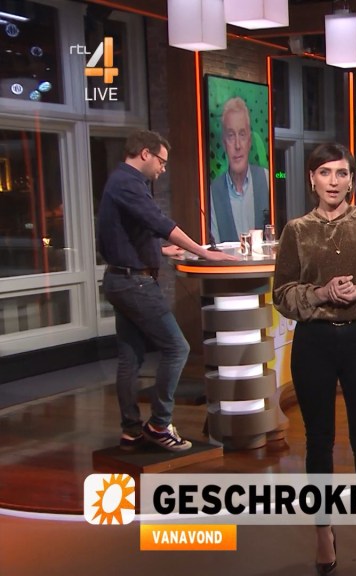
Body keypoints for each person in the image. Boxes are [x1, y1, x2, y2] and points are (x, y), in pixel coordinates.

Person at [273, 143, 356, 576]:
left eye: (342, 173)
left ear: (351, 180)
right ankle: (323, 532)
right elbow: (282, 294)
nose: (334, 181)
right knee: (318, 441)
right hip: (313, 343)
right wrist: (320, 293)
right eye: (326, 173)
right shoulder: (296, 231)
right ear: (311, 179)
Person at [97, 130, 236, 453]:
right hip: (134, 284)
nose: (163, 168)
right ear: (145, 153)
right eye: (161, 161)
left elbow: (122, 236)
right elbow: (160, 222)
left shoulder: (119, 181)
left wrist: (160, 251)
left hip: (120, 278)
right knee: (177, 348)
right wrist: (204, 253)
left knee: (130, 358)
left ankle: (131, 431)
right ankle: (159, 424)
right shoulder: (128, 182)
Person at [209, 97, 271, 244]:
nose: (237, 145)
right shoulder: (213, 192)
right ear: (224, 143)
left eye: (242, 134)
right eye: (231, 135)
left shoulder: (267, 179)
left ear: (249, 141)